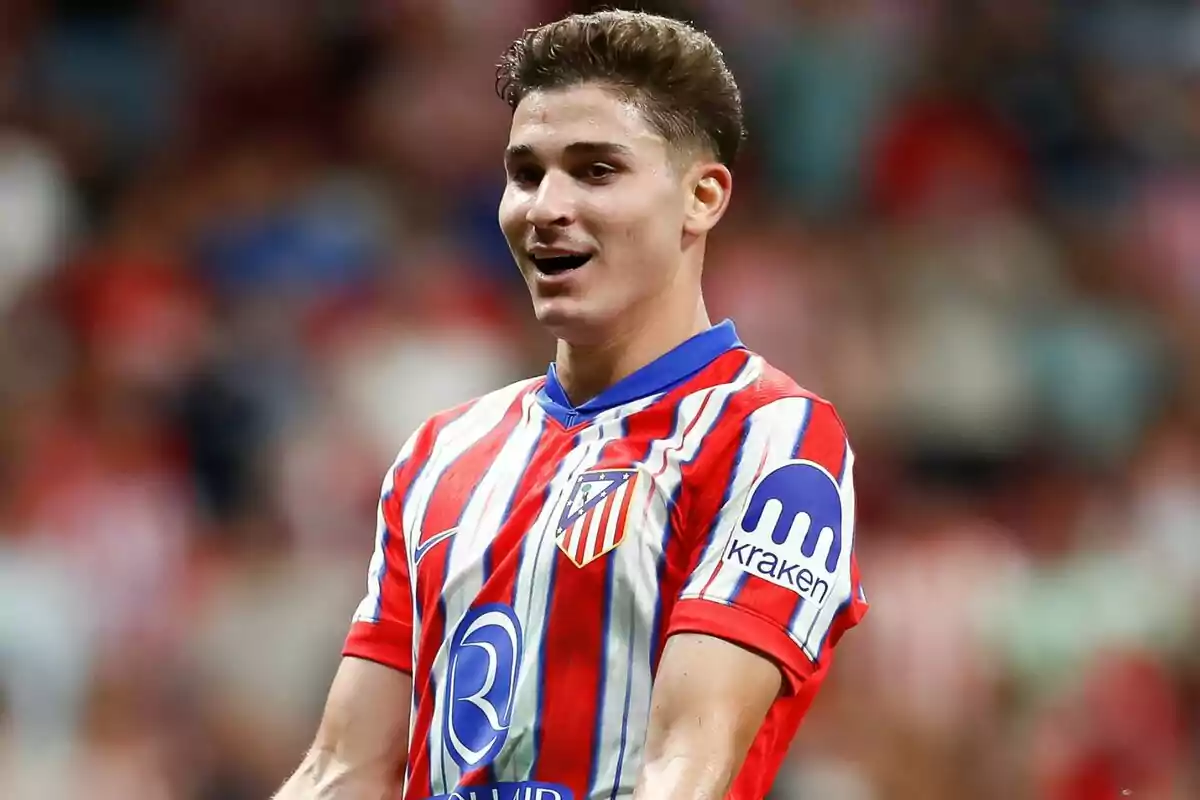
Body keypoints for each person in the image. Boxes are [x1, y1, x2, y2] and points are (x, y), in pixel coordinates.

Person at [274, 10, 868, 800]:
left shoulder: (770, 435)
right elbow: (341, 769)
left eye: (596, 171)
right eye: (526, 173)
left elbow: (688, 765)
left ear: (702, 197)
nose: (544, 207)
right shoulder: (440, 453)